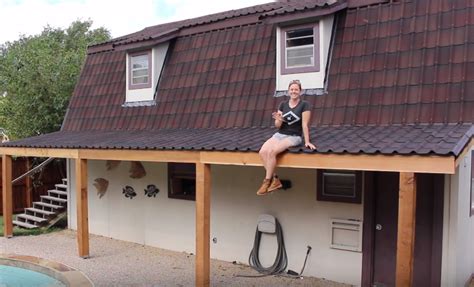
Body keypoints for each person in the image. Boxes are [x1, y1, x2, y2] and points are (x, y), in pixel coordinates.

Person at [257, 80, 316, 195]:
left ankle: (266, 181)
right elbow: (277, 126)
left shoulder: (305, 105)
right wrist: (278, 119)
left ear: (300, 91)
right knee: (263, 152)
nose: (294, 91)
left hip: (294, 136)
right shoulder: (283, 104)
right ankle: (275, 180)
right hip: (281, 133)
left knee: (273, 152)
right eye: (292, 89)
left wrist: (307, 141)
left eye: (296, 89)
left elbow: (304, 124)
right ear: (288, 91)